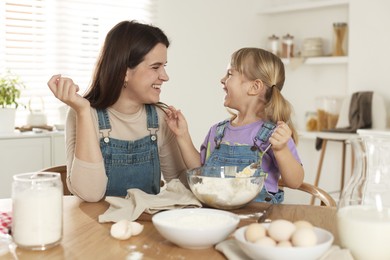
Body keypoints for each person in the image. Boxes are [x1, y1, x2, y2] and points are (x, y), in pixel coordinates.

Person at [47, 20, 188, 202]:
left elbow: (182, 187)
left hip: (143, 227)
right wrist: (82, 111)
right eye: (155, 67)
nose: (165, 76)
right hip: (94, 227)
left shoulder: (160, 118)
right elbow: (90, 194)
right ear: (124, 72)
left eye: (164, 66)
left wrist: (185, 139)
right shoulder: (82, 114)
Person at [166, 47, 304, 203]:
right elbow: (202, 171)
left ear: (254, 87)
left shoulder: (274, 135)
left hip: (259, 216)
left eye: (230, 74)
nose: (222, 79)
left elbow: (295, 181)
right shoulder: (218, 131)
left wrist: (281, 149)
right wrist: (182, 135)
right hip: (219, 214)